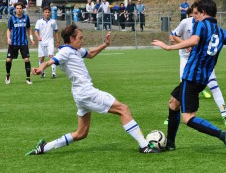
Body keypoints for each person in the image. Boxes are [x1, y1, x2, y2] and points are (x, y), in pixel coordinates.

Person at [26, 24, 161, 155]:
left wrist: (105, 44)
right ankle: (144, 146)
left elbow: (90, 54)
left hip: (80, 94)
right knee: (123, 109)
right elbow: (49, 61)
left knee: (81, 133)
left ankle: (45, 147)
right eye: (80, 38)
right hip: (86, 93)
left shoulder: (76, 50)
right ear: (71, 39)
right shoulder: (65, 51)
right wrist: (40, 68)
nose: (82, 40)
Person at [152, 0, 226, 155]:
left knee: (188, 118)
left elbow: (195, 40)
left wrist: (168, 47)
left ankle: (223, 135)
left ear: (204, 13)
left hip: (192, 77)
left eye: (197, 13)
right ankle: (170, 144)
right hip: (202, 79)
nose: (194, 16)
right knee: (173, 103)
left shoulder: (201, 25)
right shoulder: (221, 31)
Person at [168, 6, 226, 126]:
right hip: (185, 57)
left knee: (213, 84)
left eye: (198, 13)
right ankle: (173, 114)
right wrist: (184, 45)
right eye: (194, 13)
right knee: (183, 85)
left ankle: (224, 114)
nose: (196, 15)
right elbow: (173, 34)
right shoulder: (185, 22)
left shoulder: (205, 25)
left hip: (201, 59)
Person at [5, 2, 35, 85]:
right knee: (8, 60)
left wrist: (31, 38)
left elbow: (29, 28)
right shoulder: (12, 19)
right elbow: (9, 29)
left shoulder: (26, 18)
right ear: (15, 9)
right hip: (13, 43)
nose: (19, 10)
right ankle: (8, 75)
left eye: (20, 8)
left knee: (27, 59)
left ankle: (28, 78)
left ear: (22, 9)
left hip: (23, 42)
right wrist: (8, 38)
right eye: (17, 8)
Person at [34, 6, 59, 78]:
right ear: (43, 13)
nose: (47, 13)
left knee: (51, 56)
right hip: (41, 42)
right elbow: (36, 31)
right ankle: (42, 72)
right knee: (41, 58)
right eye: (46, 12)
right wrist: (38, 37)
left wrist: (57, 41)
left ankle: (54, 73)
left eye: (48, 12)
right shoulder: (39, 22)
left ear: (50, 13)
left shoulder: (53, 21)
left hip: (50, 41)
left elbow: (56, 32)